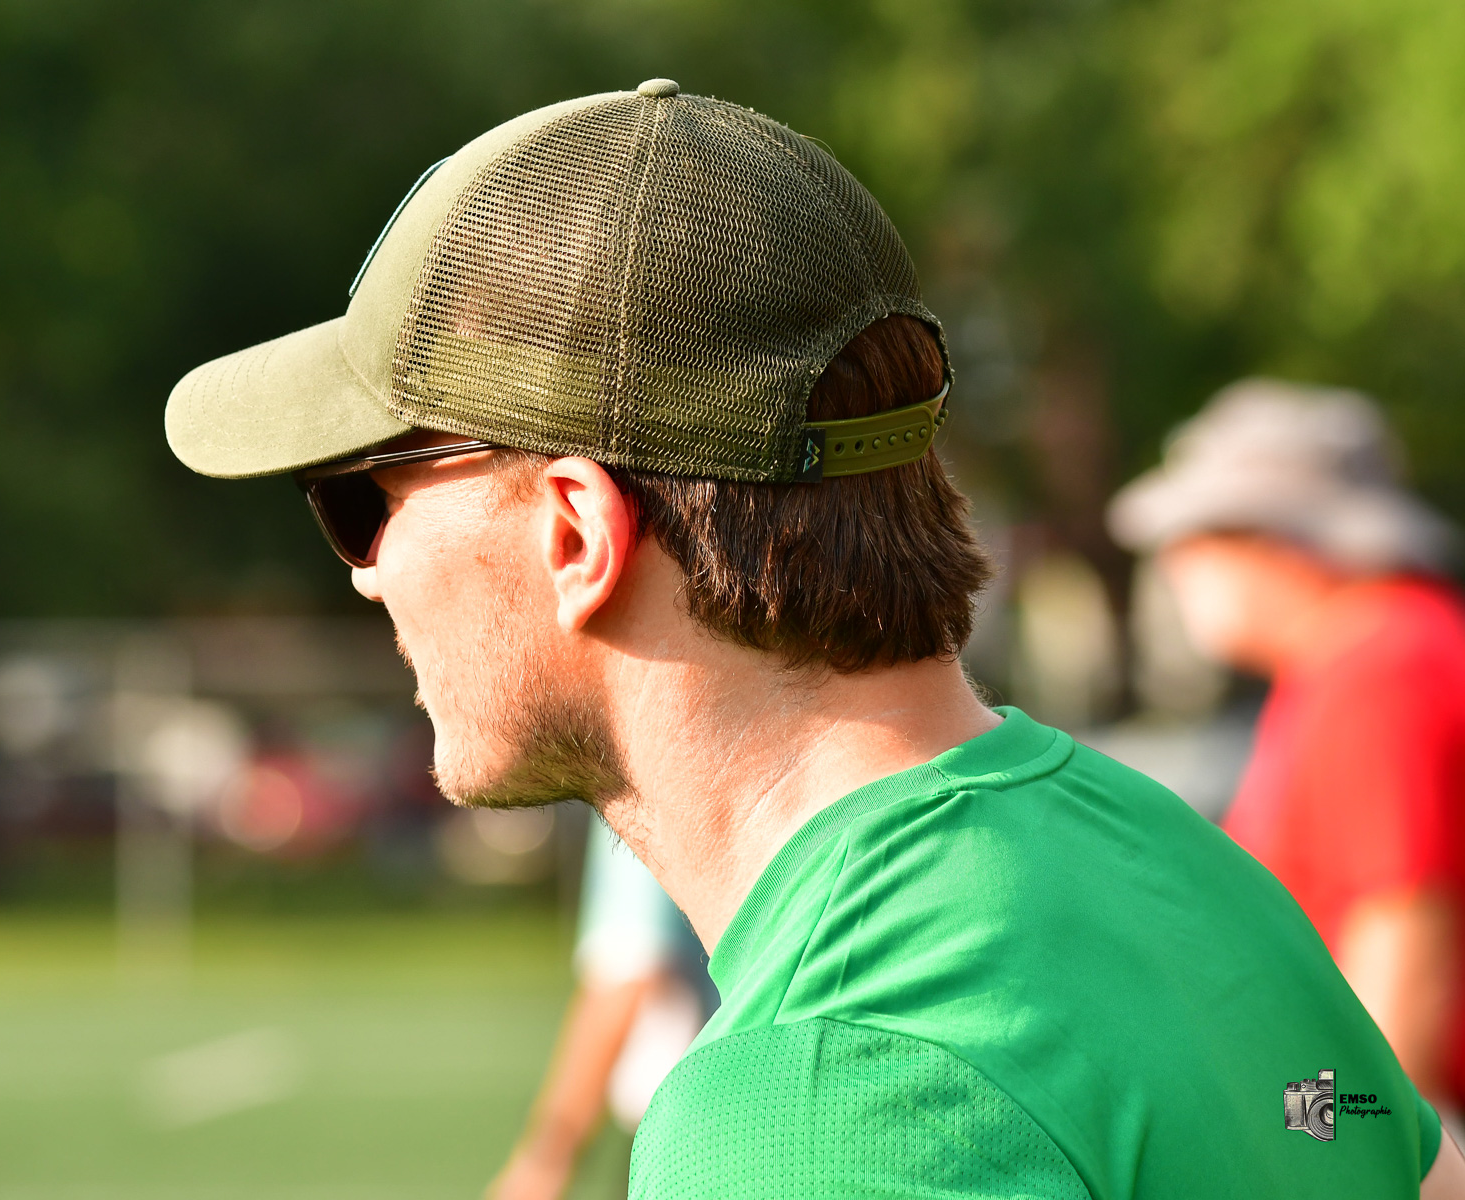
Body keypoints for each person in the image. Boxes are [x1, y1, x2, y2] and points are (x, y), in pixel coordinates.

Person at [165, 81, 1465, 1196]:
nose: (367, 575)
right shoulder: (1177, 862)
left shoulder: (820, 1097)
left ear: (575, 534)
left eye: (364, 502)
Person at [1108, 379, 1465, 1111]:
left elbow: (1402, 944)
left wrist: (1321, 1136)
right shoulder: (1372, 650)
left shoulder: (1380, 667)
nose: (1174, 566)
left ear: (1283, 541)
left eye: (1198, 538)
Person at [490, 820, 715, 1200]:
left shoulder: (645, 806)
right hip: (764, 1100)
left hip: (701, 1127)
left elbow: (627, 973)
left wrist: (543, 1161)